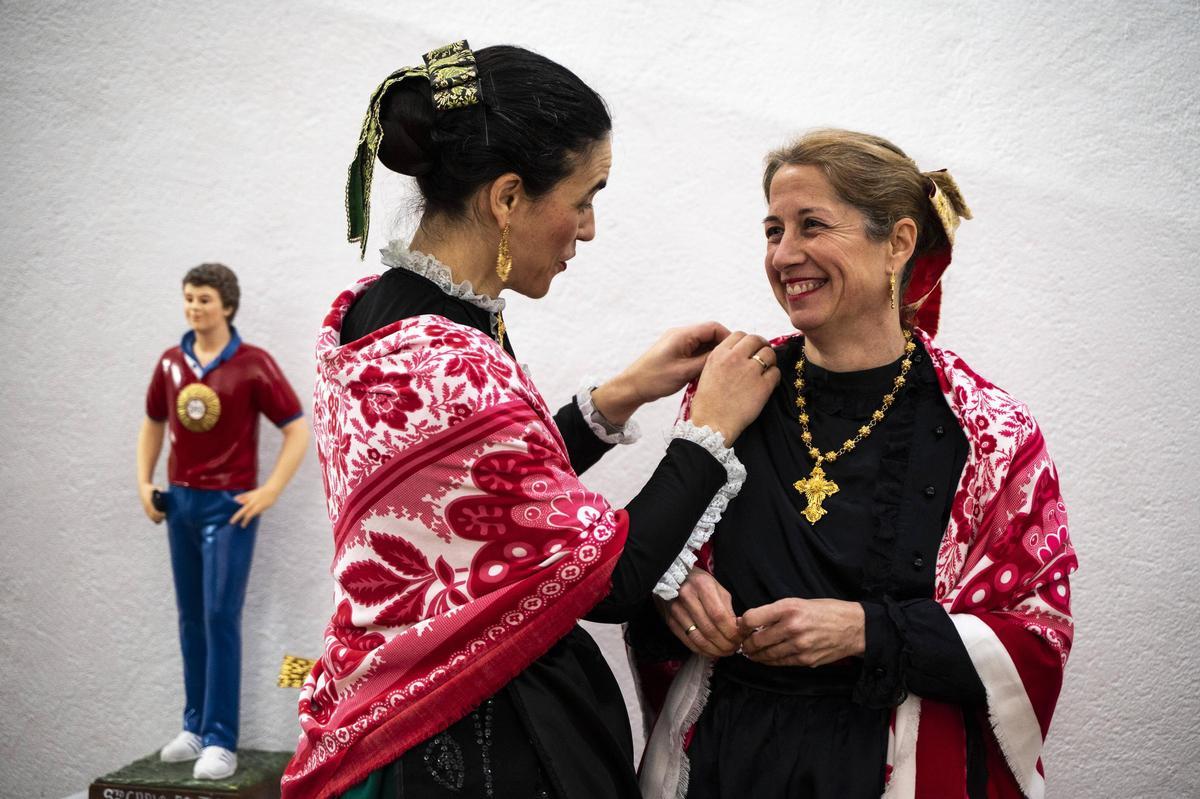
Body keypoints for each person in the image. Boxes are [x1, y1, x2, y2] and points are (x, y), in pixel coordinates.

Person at [280, 41, 778, 799]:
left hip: (378, 712)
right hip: (458, 741)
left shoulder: (372, 313)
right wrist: (706, 433)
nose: (588, 228)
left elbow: (482, 505)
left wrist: (621, 393)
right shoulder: (455, 364)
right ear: (508, 198)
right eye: (585, 197)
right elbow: (607, 579)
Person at [631, 130, 1077, 799]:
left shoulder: (988, 432)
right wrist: (674, 584)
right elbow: (643, 551)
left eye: (812, 225)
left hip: (884, 765)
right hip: (726, 759)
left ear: (897, 241)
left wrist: (866, 630)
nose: (784, 255)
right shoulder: (727, 389)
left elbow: (1039, 629)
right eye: (773, 229)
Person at [138, 263, 310, 780]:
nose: (194, 308)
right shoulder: (171, 363)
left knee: (220, 616)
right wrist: (144, 480)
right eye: (189, 298)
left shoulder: (254, 365)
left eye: (205, 299)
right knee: (190, 617)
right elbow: (154, 421)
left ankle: (221, 736)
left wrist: (270, 489)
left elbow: (296, 428)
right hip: (181, 504)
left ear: (228, 306)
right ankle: (193, 724)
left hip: (228, 507)